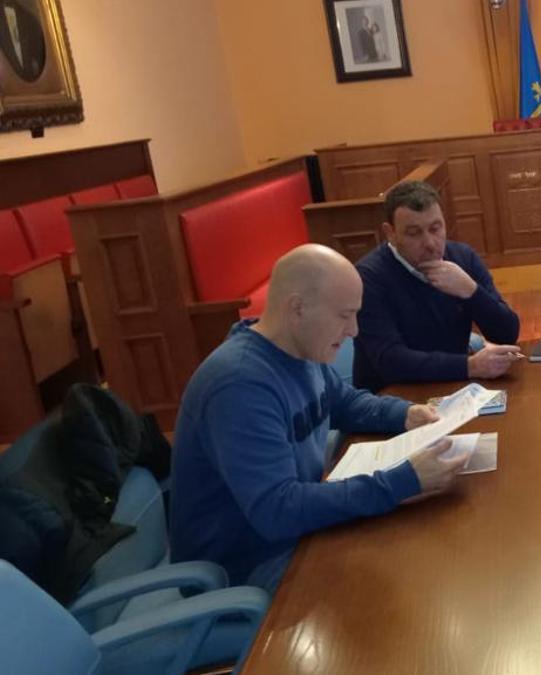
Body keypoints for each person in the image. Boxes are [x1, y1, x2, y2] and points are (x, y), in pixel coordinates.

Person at [170, 244, 469, 593]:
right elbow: (277, 510)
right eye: (344, 315)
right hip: (245, 567)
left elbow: (344, 403)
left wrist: (406, 414)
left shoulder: (299, 347)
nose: (354, 330)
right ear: (297, 308)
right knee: (396, 575)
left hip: (295, 532)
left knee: (420, 550)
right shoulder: (238, 385)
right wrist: (401, 482)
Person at [354, 180, 521, 389]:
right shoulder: (368, 277)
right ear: (391, 233)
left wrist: (471, 292)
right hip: (392, 400)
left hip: (455, 390)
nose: (430, 243)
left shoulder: (463, 257)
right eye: (414, 233)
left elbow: (507, 334)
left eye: (435, 228)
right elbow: (390, 361)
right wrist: (469, 366)